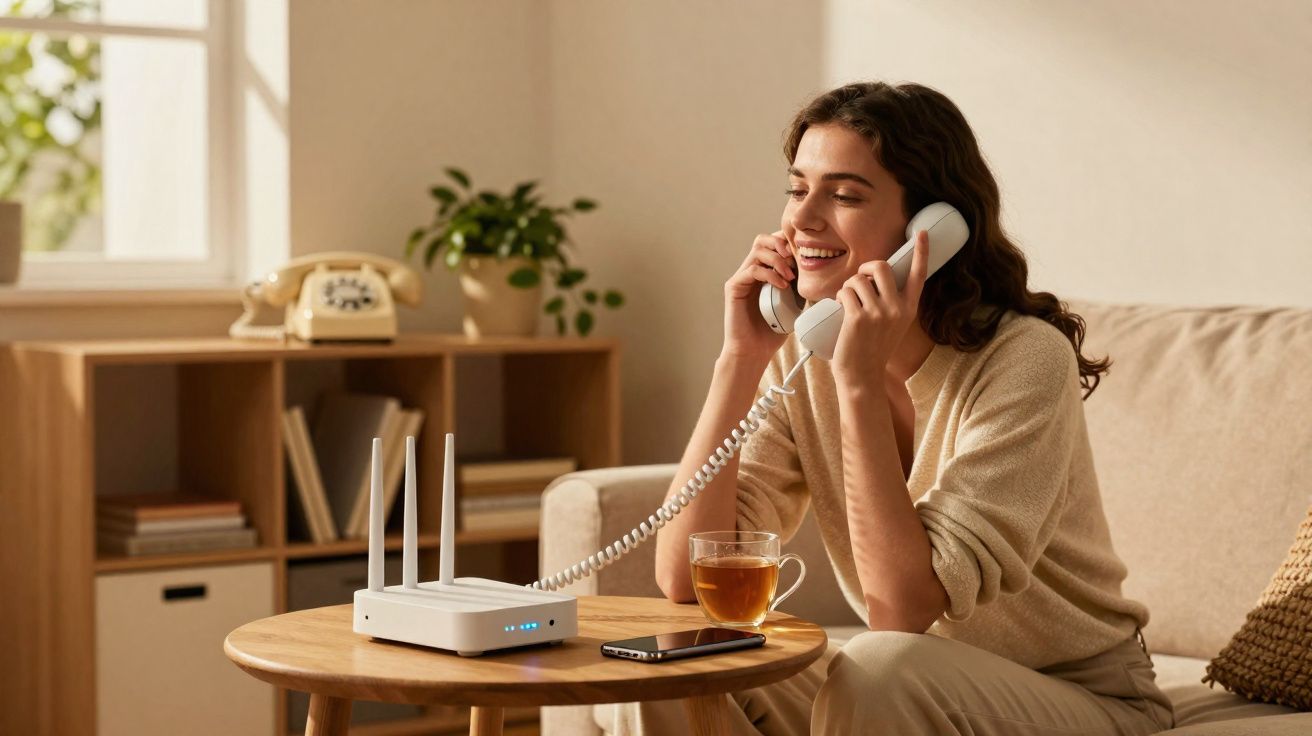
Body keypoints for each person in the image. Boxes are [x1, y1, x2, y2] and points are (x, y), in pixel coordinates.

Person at [600, 81, 1175, 735]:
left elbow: (900, 611)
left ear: (932, 229)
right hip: (914, 686)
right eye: (797, 189)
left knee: (879, 667)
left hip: (1080, 695)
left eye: (844, 195)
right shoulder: (802, 354)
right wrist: (740, 361)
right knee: (672, 665)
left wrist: (859, 384)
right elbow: (685, 580)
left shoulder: (1024, 361)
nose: (803, 219)